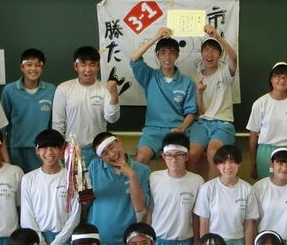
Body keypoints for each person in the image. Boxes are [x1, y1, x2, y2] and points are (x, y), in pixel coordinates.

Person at [129, 28, 199, 165]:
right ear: (157, 55)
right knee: (141, 158)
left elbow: (191, 112)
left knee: (179, 161)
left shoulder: (187, 82)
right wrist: (156, 37)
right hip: (153, 131)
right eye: (163, 53)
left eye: (172, 53)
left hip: (177, 131)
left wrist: (181, 128)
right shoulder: (149, 76)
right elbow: (134, 59)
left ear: (177, 55)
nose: (167, 57)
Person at [148, 132, 204, 245]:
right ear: (163, 156)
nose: (173, 159)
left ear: (186, 156)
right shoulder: (154, 178)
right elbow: (150, 210)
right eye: (169, 155)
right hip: (158, 241)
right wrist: (148, 238)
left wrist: (196, 242)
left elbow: (196, 216)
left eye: (178, 155)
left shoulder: (197, 181)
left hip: (183, 243)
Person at [194, 145, 259, 245]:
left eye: (232, 162)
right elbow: (204, 223)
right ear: (217, 165)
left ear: (239, 164)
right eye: (223, 162)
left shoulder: (247, 189)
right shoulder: (208, 188)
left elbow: (249, 224)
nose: (228, 166)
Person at [87, 132, 151, 245]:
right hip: (98, 240)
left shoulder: (143, 170)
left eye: (111, 147)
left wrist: (132, 175)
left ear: (119, 141)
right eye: (104, 153)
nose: (112, 154)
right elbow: (86, 202)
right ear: (100, 158)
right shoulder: (94, 166)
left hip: (126, 241)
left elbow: (140, 208)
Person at [20, 129, 81, 245]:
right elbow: (27, 216)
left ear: (62, 150)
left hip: (65, 238)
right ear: (37, 150)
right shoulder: (28, 179)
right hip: (37, 241)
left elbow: (75, 215)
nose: (49, 152)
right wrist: (41, 243)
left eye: (54, 147)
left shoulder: (71, 177)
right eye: (44, 147)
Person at [52, 46, 120, 164]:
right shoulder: (64, 88)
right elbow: (58, 123)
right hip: (72, 148)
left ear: (98, 66)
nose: (87, 69)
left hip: (99, 149)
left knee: (97, 176)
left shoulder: (105, 88)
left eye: (92, 64)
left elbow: (112, 118)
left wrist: (114, 94)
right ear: (76, 66)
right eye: (83, 65)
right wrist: (58, 148)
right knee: (72, 177)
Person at [189, 25, 239, 178]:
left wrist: (217, 36)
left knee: (213, 152)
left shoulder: (224, 72)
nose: (209, 54)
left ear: (220, 54)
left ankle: (210, 191)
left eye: (214, 50)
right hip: (201, 123)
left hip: (222, 124)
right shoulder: (196, 76)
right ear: (201, 53)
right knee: (192, 153)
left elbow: (234, 58)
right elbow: (200, 111)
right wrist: (199, 93)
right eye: (206, 50)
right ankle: (193, 189)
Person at [246, 62, 287, 181]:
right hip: (266, 153)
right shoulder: (260, 103)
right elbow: (253, 134)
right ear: (271, 79)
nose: (282, 80)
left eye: (286, 77)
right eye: (278, 76)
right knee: (267, 188)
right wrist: (252, 163)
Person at [1, 48, 55, 173]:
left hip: (42, 149)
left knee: (40, 183)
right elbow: (3, 124)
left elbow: (54, 123)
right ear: (22, 67)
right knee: (18, 182)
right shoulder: (9, 90)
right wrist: (4, 155)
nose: (33, 69)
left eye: (37, 65)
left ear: (42, 68)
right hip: (15, 149)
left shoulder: (51, 90)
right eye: (29, 65)